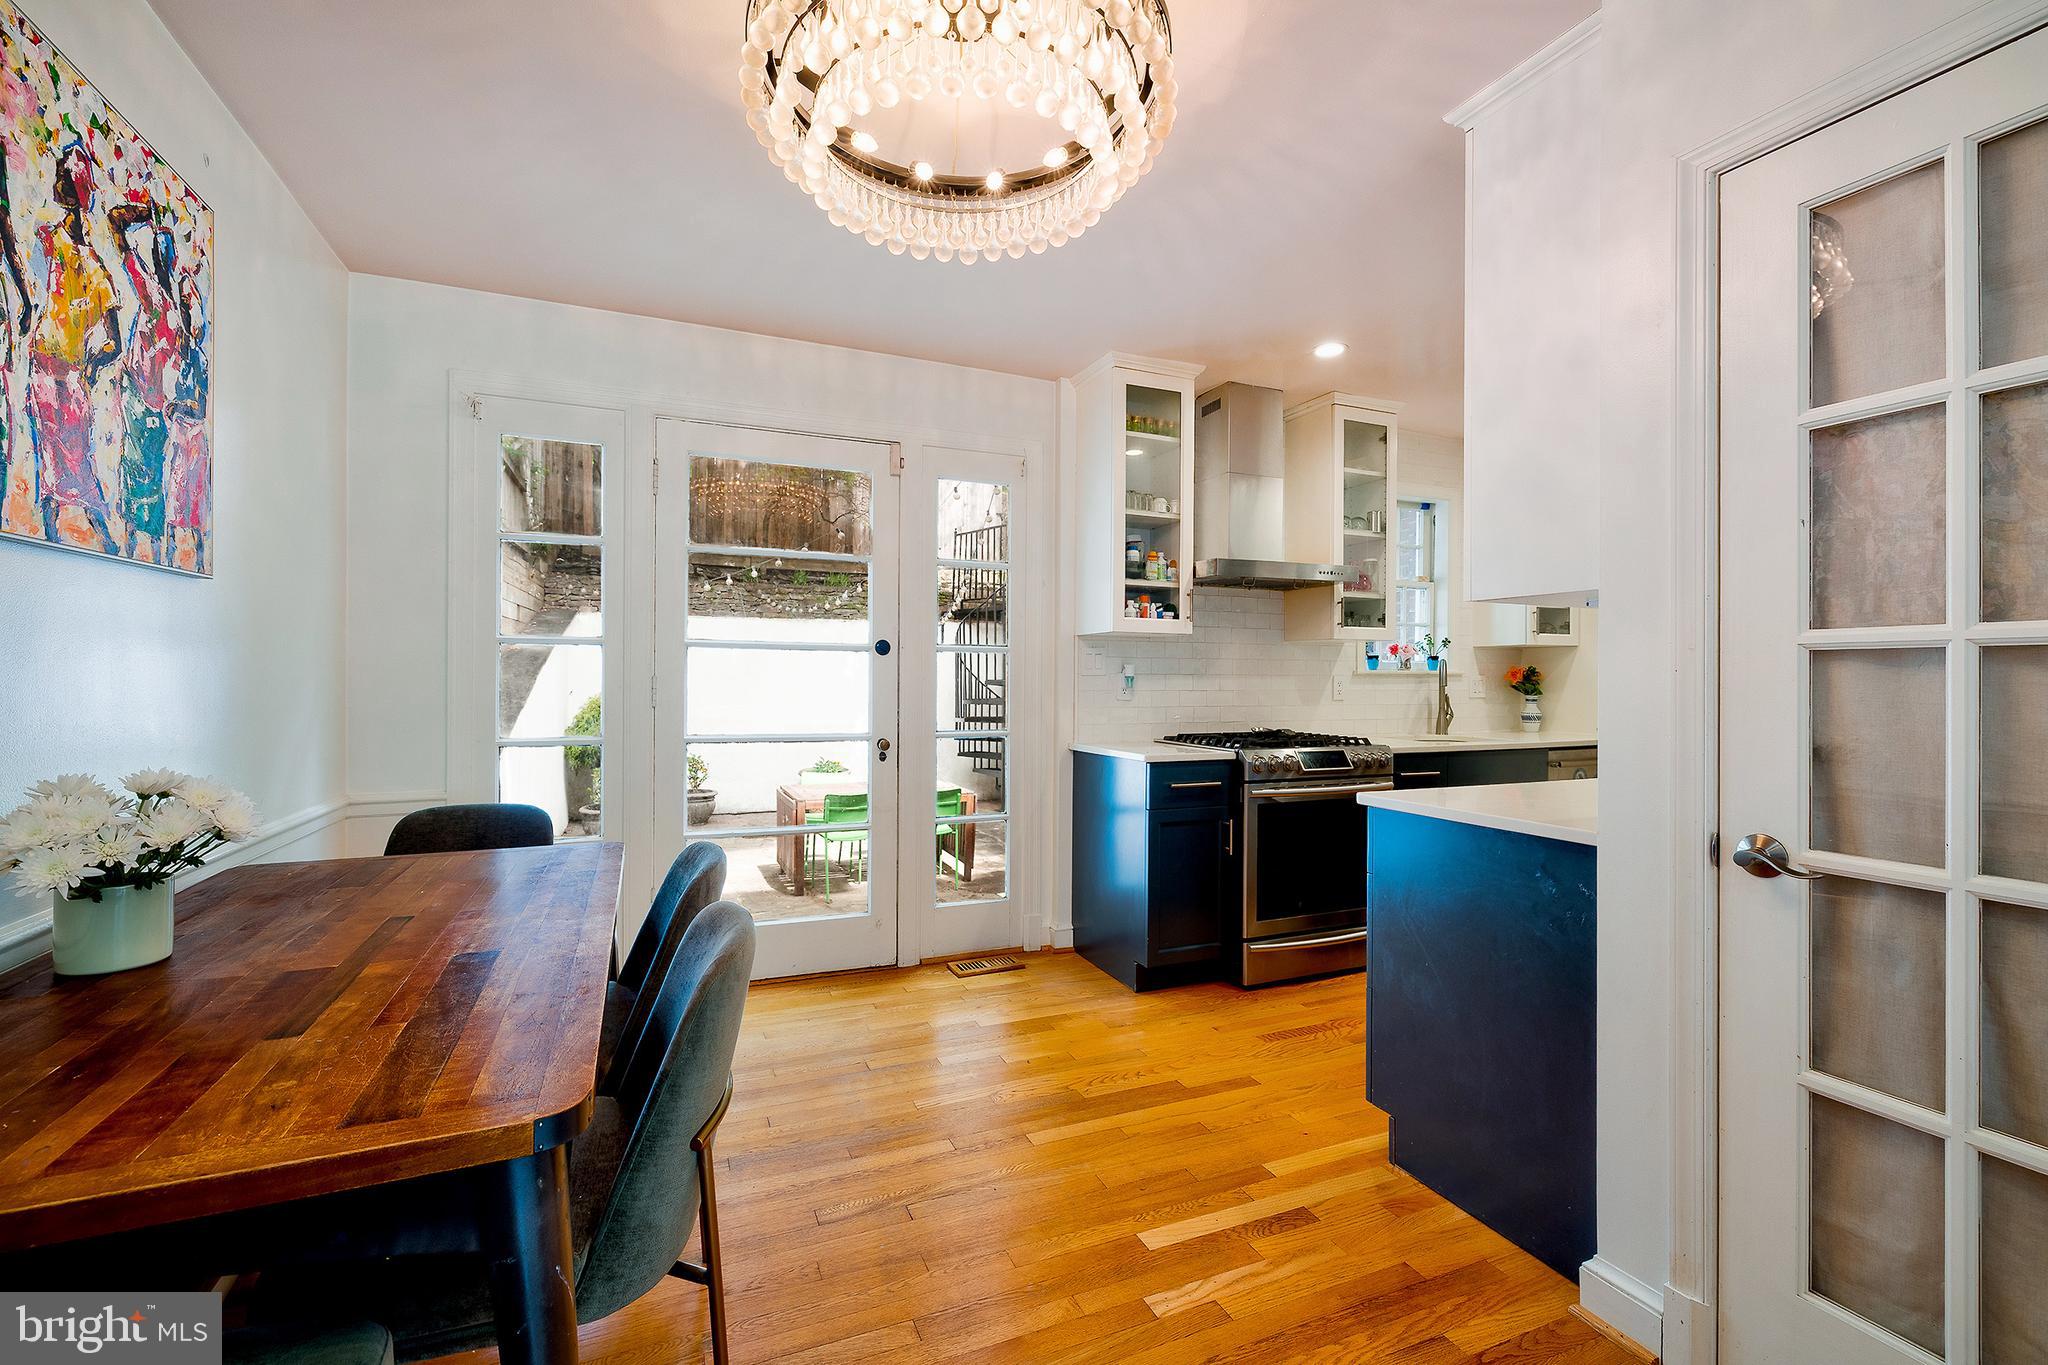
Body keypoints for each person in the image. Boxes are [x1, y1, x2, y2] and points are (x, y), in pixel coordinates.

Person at [27, 140, 120, 551]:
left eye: (66, 176)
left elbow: (113, 343)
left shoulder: (92, 265)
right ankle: (48, 543)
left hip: (67, 375)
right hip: (45, 367)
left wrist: (93, 365)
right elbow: (34, 298)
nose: (61, 182)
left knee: (78, 467)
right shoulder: (50, 242)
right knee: (51, 466)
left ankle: (103, 544)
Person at [110, 202, 181, 562]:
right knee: (152, 477)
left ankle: (129, 547)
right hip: (156, 407)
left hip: (140, 401)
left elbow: (115, 228)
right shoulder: (176, 317)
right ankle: (154, 550)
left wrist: (140, 215)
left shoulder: (152, 296)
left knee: (135, 473)